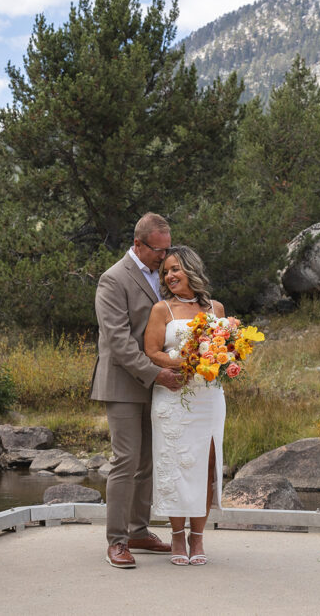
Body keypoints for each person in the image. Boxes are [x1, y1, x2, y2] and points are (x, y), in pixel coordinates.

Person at [91, 212, 182, 569]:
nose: (165, 256)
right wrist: (157, 373)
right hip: (123, 384)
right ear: (138, 245)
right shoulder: (112, 280)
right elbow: (118, 342)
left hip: (155, 383)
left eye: (167, 249)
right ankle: (116, 541)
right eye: (158, 250)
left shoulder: (162, 276)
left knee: (148, 461)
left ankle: (139, 531)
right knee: (126, 460)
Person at [143, 245, 226, 566]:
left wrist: (227, 357)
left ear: (191, 269)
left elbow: (226, 346)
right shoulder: (162, 309)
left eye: (175, 269)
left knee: (206, 465)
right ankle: (177, 536)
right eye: (165, 272)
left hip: (209, 397)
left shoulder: (216, 309)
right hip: (174, 395)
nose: (169, 276)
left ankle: (198, 536)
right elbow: (152, 352)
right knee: (176, 464)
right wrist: (186, 362)